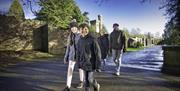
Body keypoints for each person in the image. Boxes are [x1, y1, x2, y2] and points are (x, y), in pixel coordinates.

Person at [77, 23, 101, 91]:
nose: (84, 31)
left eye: (86, 29)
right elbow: (78, 53)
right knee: (86, 81)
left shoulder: (93, 39)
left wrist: (98, 66)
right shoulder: (79, 41)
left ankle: (96, 85)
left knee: (90, 79)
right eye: (82, 29)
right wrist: (78, 64)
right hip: (83, 63)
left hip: (91, 63)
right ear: (80, 30)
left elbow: (98, 53)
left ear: (88, 30)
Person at [63, 20, 84, 91]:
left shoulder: (81, 35)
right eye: (72, 27)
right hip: (72, 56)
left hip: (79, 56)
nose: (73, 29)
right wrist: (66, 57)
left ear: (77, 27)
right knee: (70, 70)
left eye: (74, 27)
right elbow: (68, 47)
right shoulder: (70, 36)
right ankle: (67, 86)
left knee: (80, 69)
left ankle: (81, 81)